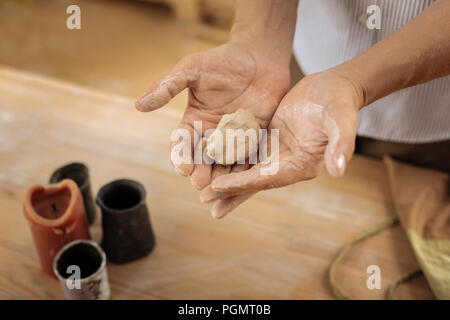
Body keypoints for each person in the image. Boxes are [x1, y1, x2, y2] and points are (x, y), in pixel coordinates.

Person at [135, 0, 450, 219]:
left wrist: (356, 84)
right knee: (317, 191)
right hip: (303, 74)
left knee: (388, 208)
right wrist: (258, 44)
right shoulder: (275, 97)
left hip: (427, 108)